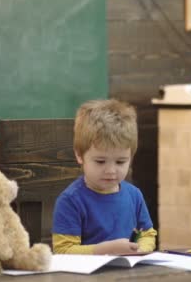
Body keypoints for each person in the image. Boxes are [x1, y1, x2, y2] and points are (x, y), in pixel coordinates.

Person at [52, 99, 157, 255]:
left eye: (121, 161)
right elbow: (63, 251)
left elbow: (147, 234)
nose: (111, 171)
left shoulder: (134, 195)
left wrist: (141, 248)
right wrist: (108, 250)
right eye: (100, 161)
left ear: (131, 157)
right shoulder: (71, 200)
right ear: (80, 155)